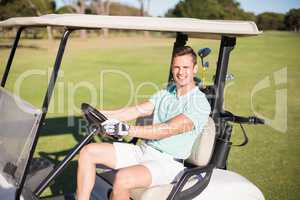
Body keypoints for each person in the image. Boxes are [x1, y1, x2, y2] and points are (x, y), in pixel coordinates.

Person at [76, 46, 211, 200]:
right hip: (144, 151)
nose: (180, 72)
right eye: (177, 67)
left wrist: (127, 130)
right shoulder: (167, 93)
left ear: (195, 69)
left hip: (168, 163)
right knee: (88, 152)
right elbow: (137, 111)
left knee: (123, 179)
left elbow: (166, 130)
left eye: (185, 67)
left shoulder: (199, 103)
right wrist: (101, 113)